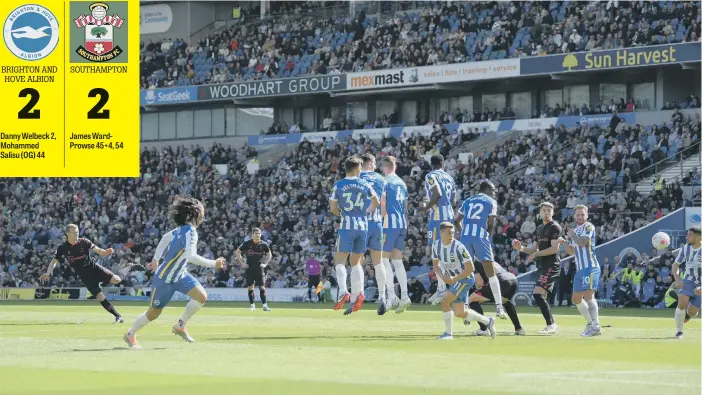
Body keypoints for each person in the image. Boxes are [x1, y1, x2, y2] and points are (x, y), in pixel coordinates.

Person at [123, 197, 226, 349]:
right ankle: (130, 334)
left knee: (201, 296)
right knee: (153, 313)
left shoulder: (182, 230)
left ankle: (180, 325)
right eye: (202, 211)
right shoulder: (190, 232)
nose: (204, 215)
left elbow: (165, 238)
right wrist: (214, 263)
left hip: (180, 275)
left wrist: (156, 259)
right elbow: (191, 256)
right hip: (164, 278)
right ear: (194, 214)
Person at [40, 224, 123, 323]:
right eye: (74, 232)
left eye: (77, 232)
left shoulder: (84, 242)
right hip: (85, 277)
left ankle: (126, 269)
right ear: (67, 234)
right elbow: (53, 261)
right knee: (100, 297)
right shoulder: (62, 248)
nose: (77, 233)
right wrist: (48, 273)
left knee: (117, 280)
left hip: (94, 269)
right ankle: (118, 316)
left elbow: (99, 251)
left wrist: (106, 252)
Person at [329, 156, 380, 315]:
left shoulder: (338, 185)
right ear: (357, 168)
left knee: (339, 261)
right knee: (356, 263)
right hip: (363, 226)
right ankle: (359, 294)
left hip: (347, 226)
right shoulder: (364, 184)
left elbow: (333, 208)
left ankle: (344, 291)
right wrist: (365, 212)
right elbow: (376, 202)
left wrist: (342, 214)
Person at [433, 222, 496, 340]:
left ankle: (448, 334)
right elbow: (435, 266)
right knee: (460, 313)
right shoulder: (435, 246)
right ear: (441, 233)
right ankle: (487, 321)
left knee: (445, 301)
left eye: (453, 233)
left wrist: (454, 279)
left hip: (464, 279)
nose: (451, 235)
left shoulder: (459, 247)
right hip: (453, 280)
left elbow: (471, 268)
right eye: (448, 233)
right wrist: (443, 276)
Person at [454, 180, 507, 319]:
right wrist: (487, 236)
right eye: (493, 190)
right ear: (487, 189)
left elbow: (455, 220)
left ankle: (463, 306)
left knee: (465, 272)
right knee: (491, 273)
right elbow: (491, 223)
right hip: (480, 237)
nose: (495, 192)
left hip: (465, 238)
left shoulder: (468, 200)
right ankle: (499, 307)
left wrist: (463, 231)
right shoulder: (491, 201)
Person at [512, 202, 562, 334]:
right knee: (540, 297)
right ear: (540, 212)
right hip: (542, 265)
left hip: (552, 265)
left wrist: (536, 254)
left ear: (553, 213)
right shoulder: (539, 228)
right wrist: (521, 248)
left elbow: (554, 249)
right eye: (544, 210)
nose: (546, 213)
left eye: (549, 211)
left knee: (537, 294)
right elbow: (533, 248)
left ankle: (551, 325)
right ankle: (551, 324)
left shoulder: (555, 227)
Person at [418, 154, 456, 305]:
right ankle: (451, 287)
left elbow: (437, 194)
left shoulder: (430, 176)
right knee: (447, 252)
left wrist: (426, 207)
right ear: (443, 163)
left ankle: (441, 288)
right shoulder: (450, 177)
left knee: (436, 252)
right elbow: (453, 200)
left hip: (437, 218)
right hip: (450, 216)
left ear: (431, 164)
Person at [559, 205, 602, 337]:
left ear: (586, 216)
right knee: (576, 299)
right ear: (574, 216)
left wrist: (573, 235)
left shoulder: (588, 226)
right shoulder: (576, 230)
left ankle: (596, 326)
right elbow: (572, 251)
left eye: (582, 215)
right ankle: (590, 323)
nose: (580, 217)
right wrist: (564, 242)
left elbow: (582, 242)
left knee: (589, 296)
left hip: (590, 266)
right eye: (577, 215)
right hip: (580, 269)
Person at [380, 155, 411, 314]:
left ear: (384, 167)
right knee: (397, 262)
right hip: (401, 223)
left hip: (389, 223)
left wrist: (381, 218)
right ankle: (405, 296)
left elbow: (383, 203)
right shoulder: (402, 183)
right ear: (395, 166)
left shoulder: (385, 182)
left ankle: (391, 295)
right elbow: (405, 205)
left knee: (383, 259)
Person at [359, 153, 389, 313]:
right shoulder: (380, 179)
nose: (376, 164)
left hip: (360, 224)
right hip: (376, 223)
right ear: (369, 163)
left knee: (356, 262)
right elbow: (383, 203)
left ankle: (357, 296)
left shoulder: (355, 178)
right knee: (379, 263)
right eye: (375, 162)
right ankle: (382, 296)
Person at [467, 260, 524, 336]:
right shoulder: (486, 258)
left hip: (501, 280)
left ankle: (484, 329)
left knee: (471, 300)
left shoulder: (473, 262)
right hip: (513, 279)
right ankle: (519, 329)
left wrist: (476, 293)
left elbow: (480, 283)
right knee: (505, 302)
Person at [672, 226, 701, 339]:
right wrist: (677, 279)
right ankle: (679, 331)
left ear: (699, 237)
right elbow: (675, 265)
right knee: (682, 303)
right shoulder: (685, 249)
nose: (687, 237)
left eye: (690, 234)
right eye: (687, 234)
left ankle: (689, 315)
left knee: (693, 312)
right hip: (688, 280)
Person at [235, 228, 273, 312]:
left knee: (262, 287)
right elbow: (237, 252)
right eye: (256, 233)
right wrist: (242, 263)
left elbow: (269, 254)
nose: (258, 235)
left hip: (259, 269)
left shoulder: (264, 244)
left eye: (259, 233)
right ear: (252, 234)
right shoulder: (247, 243)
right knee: (250, 287)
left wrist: (265, 263)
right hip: (249, 269)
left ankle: (265, 306)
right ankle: (252, 306)